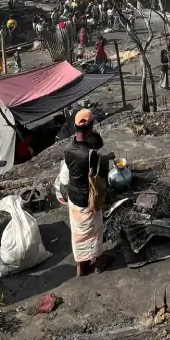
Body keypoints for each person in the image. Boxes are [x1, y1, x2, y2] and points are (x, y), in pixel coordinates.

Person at [63, 109, 113, 277]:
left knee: (78, 233)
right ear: (91, 127)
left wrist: (103, 157)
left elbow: (83, 161)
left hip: (73, 197)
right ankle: (97, 261)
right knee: (94, 231)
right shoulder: (91, 155)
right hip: (87, 200)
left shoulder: (68, 148)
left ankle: (80, 265)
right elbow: (99, 175)